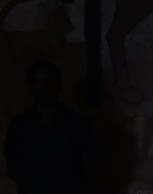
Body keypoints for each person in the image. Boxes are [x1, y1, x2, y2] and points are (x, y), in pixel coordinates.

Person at [4, 60, 95, 194]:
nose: (45, 86)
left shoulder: (79, 124)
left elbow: (90, 167)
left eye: (49, 80)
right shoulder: (19, 126)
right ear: (30, 86)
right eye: (39, 81)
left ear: (59, 85)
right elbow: (14, 169)